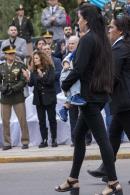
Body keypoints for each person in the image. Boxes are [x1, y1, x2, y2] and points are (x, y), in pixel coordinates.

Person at [55, 4, 123, 195]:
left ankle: (113, 183)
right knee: (78, 136)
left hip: (89, 97)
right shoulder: (102, 39)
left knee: (103, 140)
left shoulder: (88, 40)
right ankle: (73, 179)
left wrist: (65, 84)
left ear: (86, 19)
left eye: (79, 18)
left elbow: (79, 69)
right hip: (99, 95)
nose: (77, 21)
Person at [87, 15, 130, 185]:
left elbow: (113, 76)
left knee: (115, 134)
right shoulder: (122, 46)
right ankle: (106, 168)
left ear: (120, 30)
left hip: (125, 102)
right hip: (121, 101)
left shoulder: (120, 48)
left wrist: (97, 90)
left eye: (111, 27)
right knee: (112, 135)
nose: (108, 30)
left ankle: (106, 168)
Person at [22, 51, 58, 148]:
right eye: (34, 58)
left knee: (51, 119)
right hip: (39, 99)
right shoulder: (34, 71)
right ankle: (44, 139)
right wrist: (27, 77)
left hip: (49, 98)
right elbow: (31, 84)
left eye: (36, 58)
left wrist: (42, 76)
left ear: (42, 58)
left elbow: (50, 81)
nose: (35, 60)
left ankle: (54, 139)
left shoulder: (50, 69)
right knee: (41, 120)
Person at [0, 45, 29, 150]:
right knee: (5, 121)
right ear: (5, 55)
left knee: (22, 120)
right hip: (5, 98)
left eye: (13, 53)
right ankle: (7, 143)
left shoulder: (20, 65)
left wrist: (13, 88)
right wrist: (2, 88)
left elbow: (23, 80)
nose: (12, 55)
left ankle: (25, 141)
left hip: (17, 96)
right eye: (9, 53)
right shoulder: (1, 66)